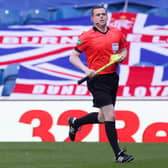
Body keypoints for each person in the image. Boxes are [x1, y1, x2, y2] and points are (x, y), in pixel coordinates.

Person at [68, 5, 134, 163]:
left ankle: (75, 123)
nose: (101, 17)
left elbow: (124, 50)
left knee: (103, 117)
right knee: (110, 114)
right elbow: (73, 57)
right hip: (96, 80)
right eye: (97, 15)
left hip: (112, 78)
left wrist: (121, 57)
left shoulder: (116, 33)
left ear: (107, 16)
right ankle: (118, 154)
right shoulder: (86, 36)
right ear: (92, 18)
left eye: (103, 14)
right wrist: (86, 69)